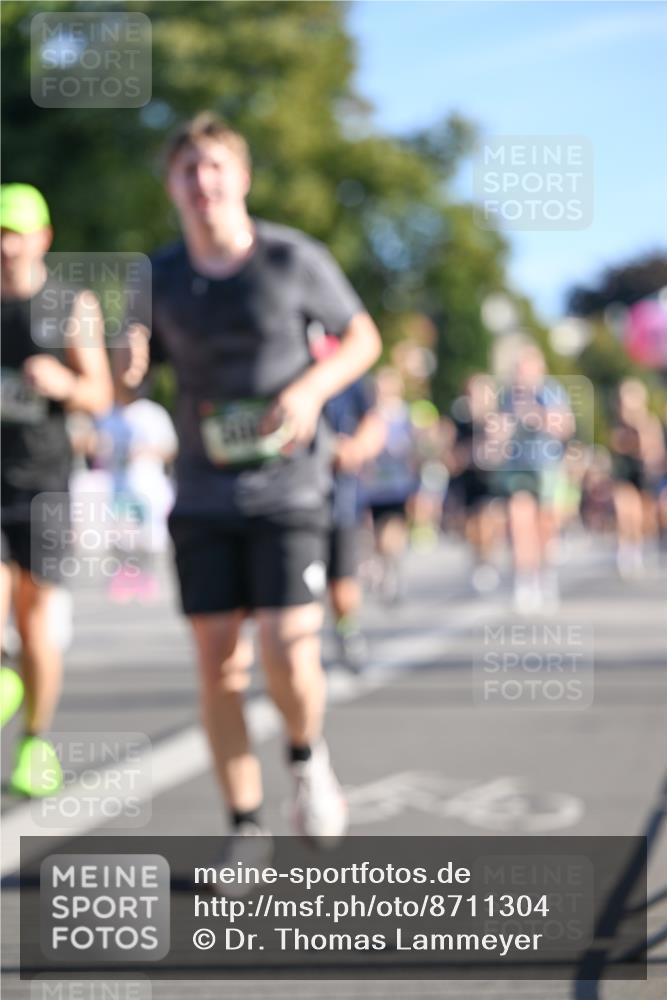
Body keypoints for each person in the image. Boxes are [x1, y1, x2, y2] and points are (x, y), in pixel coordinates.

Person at [123, 113, 381, 842]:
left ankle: (306, 758)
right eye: (186, 170)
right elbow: (125, 385)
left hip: (289, 486)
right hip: (203, 494)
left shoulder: (290, 258)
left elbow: (362, 338)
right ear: (172, 187)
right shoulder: (159, 277)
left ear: (240, 178)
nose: (201, 181)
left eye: (213, 167)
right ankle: (243, 824)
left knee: (287, 646)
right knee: (217, 666)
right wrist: (125, 357)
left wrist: (307, 393)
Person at [1, 183, 113, 794]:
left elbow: (101, 394)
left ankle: (36, 742)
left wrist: (64, 384)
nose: (4, 245)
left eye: (13, 232)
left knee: (35, 620)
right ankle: (4, 677)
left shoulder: (71, 304)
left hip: (43, 481)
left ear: (41, 237)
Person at [314, 335, 385, 671]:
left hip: (339, 493)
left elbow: (373, 422)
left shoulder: (348, 372)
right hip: (290, 495)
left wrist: (354, 449)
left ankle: (347, 632)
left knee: (341, 582)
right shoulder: (280, 361)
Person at [495, 344, 574, 613]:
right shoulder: (507, 396)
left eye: (526, 367)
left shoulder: (551, 391)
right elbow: (499, 429)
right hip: (517, 466)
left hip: (546, 466)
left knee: (544, 527)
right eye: (519, 368)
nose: (522, 373)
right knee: (519, 523)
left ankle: (545, 577)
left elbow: (564, 427)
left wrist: (534, 414)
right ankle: (524, 582)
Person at [361, 367, 419, 604]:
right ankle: (386, 567)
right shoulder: (370, 413)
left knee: (391, 531)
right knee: (375, 535)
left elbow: (415, 447)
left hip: (399, 483)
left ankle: (392, 568)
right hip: (374, 486)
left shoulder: (404, 414)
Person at [609, 378, 665, 577]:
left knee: (642, 516)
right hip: (624, 471)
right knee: (625, 510)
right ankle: (626, 549)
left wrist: (640, 427)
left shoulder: (649, 422)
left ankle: (639, 545)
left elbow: (651, 450)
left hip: (643, 473)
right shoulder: (617, 423)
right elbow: (617, 445)